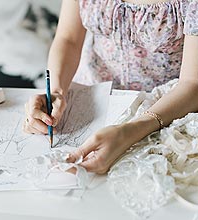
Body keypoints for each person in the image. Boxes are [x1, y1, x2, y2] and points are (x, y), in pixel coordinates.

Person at [24, 0, 198, 174]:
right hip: (93, 100)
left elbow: (192, 83)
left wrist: (129, 132)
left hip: (166, 111)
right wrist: (56, 92)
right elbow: (67, 39)